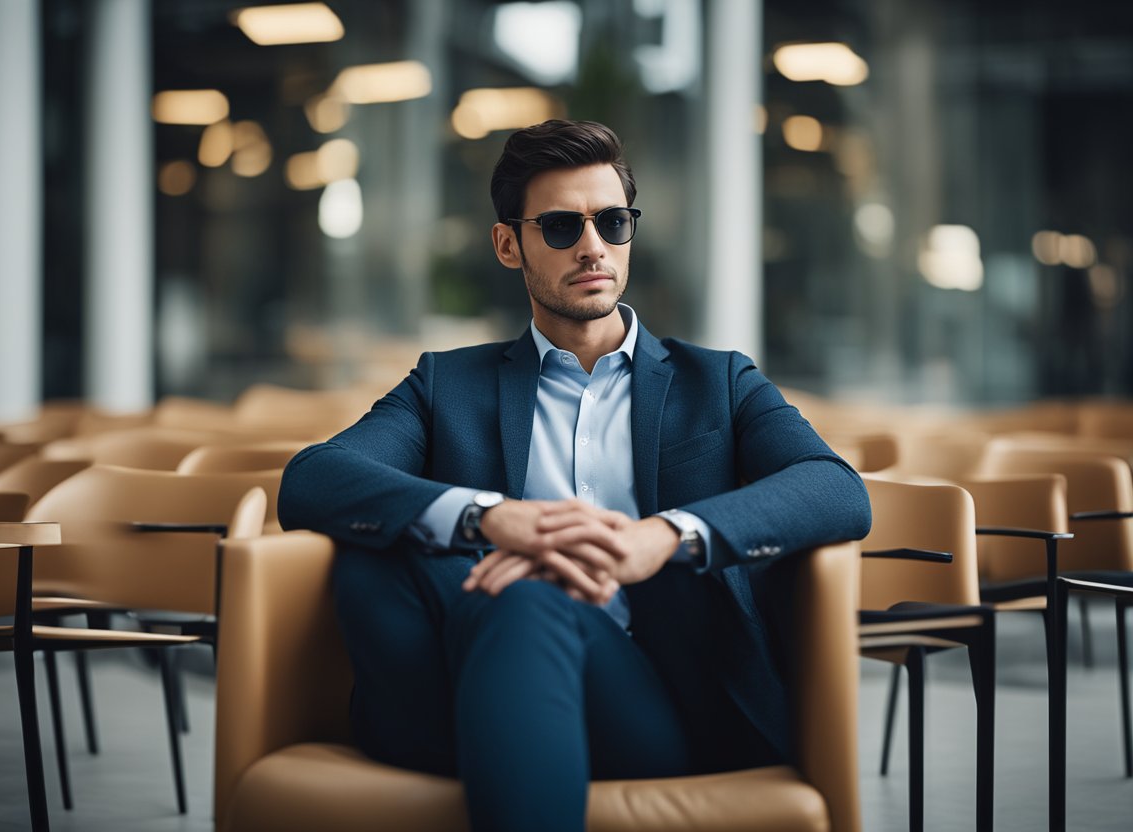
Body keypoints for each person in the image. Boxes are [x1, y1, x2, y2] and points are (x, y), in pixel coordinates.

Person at [278, 119, 871, 832]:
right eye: (560, 227)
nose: (592, 246)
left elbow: (837, 489)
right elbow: (315, 478)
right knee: (376, 548)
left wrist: (666, 537)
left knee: (527, 599)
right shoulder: (449, 386)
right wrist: (491, 519)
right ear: (509, 244)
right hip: (473, 681)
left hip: (664, 703)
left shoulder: (717, 381)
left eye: (612, 222)